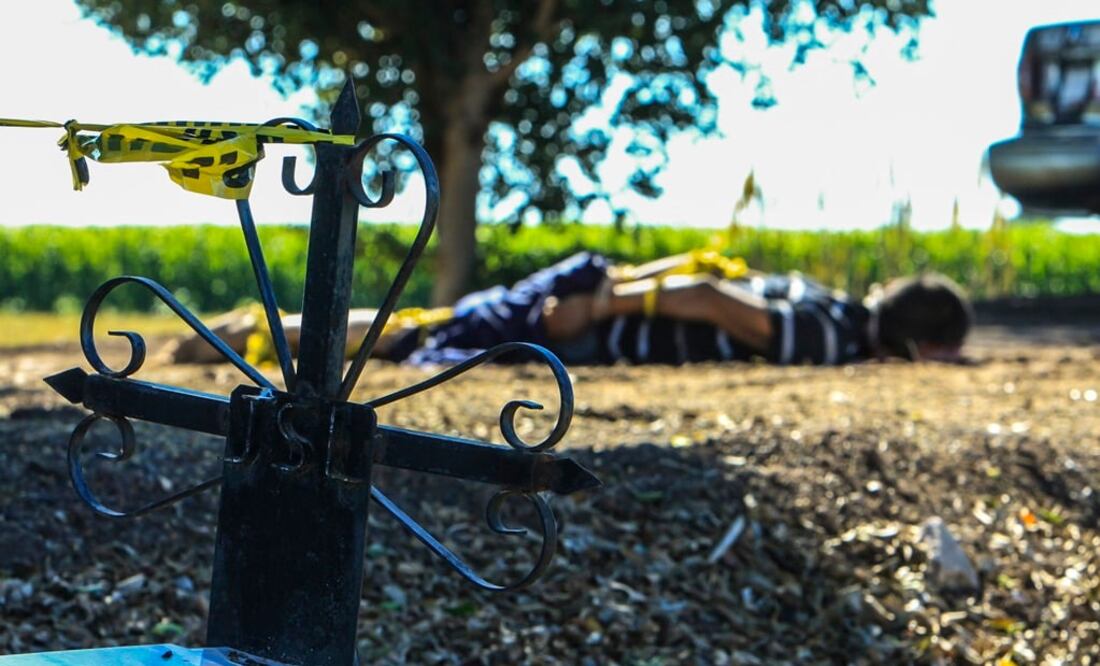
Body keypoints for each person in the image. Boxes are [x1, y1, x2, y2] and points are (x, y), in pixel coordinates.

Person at [167, 251, 973, 367]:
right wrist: (602, 305)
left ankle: (249, 331)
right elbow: (711, 299)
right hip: (592, 321)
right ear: (926, 342)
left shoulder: (828, 297)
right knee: (426, 334)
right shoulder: (828, 335)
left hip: (598, 293)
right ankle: (241, 337)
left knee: (436, 323)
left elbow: (705, 272)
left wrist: (610, 282)